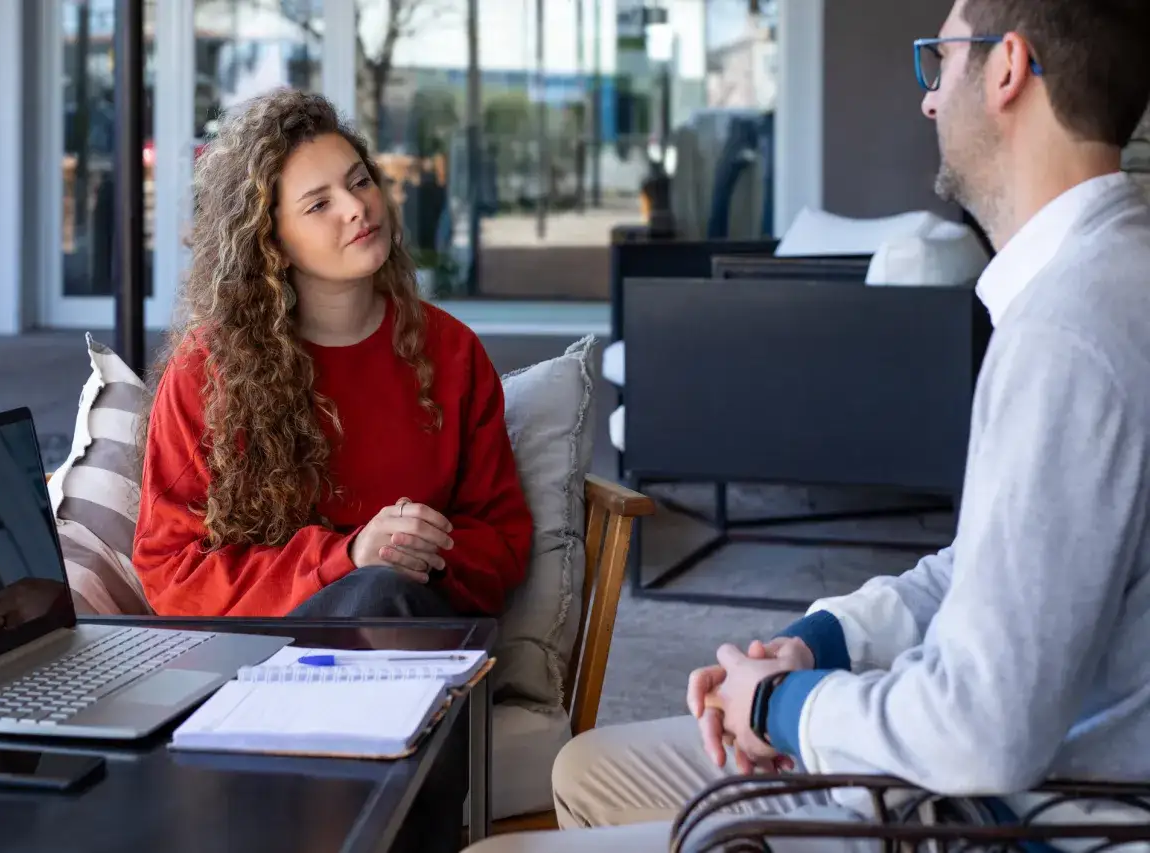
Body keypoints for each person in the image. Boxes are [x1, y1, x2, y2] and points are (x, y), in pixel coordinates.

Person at [467, 0, 1150, 850]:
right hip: (987, 785)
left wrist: (776, 706)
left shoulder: (1069, 336)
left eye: (939, 62)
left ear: (1007, 69)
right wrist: (820, 643)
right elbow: (981, 567)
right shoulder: (1100, 277)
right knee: (585, 770)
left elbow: (981, 731)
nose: (930, 100)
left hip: (1010, 822)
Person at [131, 88, 533, 853]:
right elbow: (170, 570)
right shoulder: (207, 374)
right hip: (258, 658)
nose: (357, 208)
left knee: (391, 595)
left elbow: (504, 538)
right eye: (318, 203)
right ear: (272, 241)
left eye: (358, 180)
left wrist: (420, 547)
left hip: (415, 642)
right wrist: (346, 556)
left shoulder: (451, 353)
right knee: (377, 588)